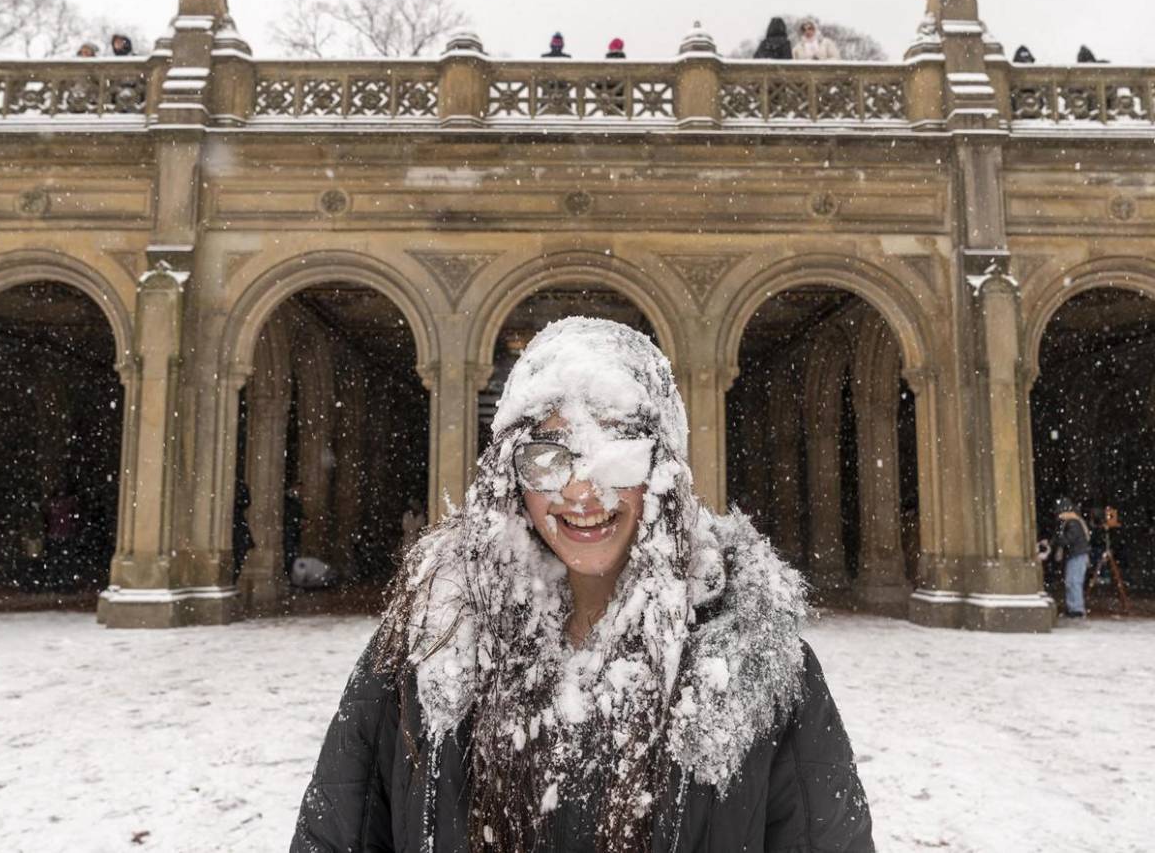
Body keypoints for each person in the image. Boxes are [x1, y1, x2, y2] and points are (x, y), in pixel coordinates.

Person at [292, 318, 873, 852]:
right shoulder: (424, 648)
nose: (581, 491)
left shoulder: (759, 665)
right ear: (510, 477)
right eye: (548, 457)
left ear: (661, 469)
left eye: (616, 450)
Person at [1052, 497, 1091, 619]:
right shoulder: (1074, 522)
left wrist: (1058, 540)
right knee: (1072, 581)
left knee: (1074, 582)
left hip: (1077, 556)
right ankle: (1073, 607)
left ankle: (1077, 609)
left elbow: (1069, 539)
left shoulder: (1073, 523)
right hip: (1076, 555)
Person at [232, 479, 254, 583]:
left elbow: (246, 502)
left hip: (238, 528)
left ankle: (233, 581)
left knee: (239, 556)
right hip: (235, 528)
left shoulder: (240, 486)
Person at [283, 482, 305, 576]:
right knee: (290, 553)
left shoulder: (296, 500)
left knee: (293, 553)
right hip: (290, 528)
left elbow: (298, 513)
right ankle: (288, 573)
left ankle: (290, 574)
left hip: (294, 529)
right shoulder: (289, 499)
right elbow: (290, 514)